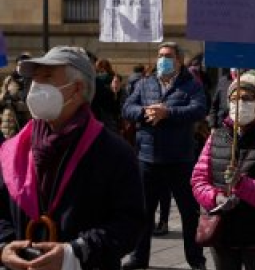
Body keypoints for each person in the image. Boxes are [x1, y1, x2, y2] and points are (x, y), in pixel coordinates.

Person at [0, 46, 145, 270]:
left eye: (47, 77)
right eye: (34, 78)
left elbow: (129, 224)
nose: (35, 87)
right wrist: (5, 246)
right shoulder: (13, 149)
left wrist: (75, 252)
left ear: (77, 89)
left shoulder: (114, 152)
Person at [191, 73, 255, 270]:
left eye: (246, 98)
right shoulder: (216, 136)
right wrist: (216, 198)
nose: (239, 104)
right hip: (223, 233)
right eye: (234, 99)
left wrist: (243, 185)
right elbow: (198, 180)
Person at [122, 41, 207, 270]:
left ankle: (196, 260)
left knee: (189, 213)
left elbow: (199, 109)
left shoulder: (191, 84)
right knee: (143, 213)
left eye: (167, 55)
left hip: (180, 159)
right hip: (148, 159)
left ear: (178, 60)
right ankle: (139, 257)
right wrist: (145, 112)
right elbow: (126, 108)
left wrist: (167, 112)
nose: (162, 59)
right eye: (160, 55)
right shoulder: (145, 83)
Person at [0, 53, 32, 138]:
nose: (20, 67)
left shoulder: (33, 81)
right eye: (19, 65)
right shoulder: (9, 79)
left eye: (24, 65)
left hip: (27, 122)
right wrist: (5, 99)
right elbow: (1, 99)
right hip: (9, 123)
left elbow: (36, 104)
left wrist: (17, 105)